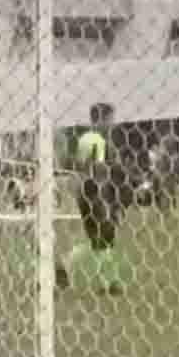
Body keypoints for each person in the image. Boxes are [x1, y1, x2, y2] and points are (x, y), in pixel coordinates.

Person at [56, 102, 128, 295]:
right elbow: (98, 170)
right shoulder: (97, 140)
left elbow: (80, 166)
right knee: (105, 237)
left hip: (86, 191)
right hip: (95, 192)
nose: (113, 123)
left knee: (100, 240)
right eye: (111, 119)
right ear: (101, 119)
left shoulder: (89, 138)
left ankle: (107, 283)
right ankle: (67, 262)